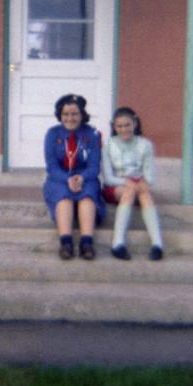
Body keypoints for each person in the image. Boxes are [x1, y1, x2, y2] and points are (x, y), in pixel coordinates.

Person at [43, 94, 106, 260]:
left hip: (86, 177)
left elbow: (94, 166)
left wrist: (82, 178)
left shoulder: (92, 134)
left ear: (81, 114)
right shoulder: (52, 134)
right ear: (60, 115)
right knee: (64, 197)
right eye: (66, 114)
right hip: (60, 178)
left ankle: (86, 242)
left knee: (87, 197)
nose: (70, 118)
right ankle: (66, 242)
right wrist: (67, 179)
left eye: (74, 114)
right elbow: (51, 166)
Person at [101, 106, 163, 261]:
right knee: (129, 192)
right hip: (116, 186)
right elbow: (108, 178)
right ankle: (118, 243)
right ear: (114, 127)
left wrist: (144, 182)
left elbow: (149, 175)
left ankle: (157, 245)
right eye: (119, 126)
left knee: (145, 195)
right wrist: (127, 182)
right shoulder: (108, 146)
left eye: (127, 125)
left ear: (134, 124)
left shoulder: (145, 145)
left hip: (139, 184)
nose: (124, 129)